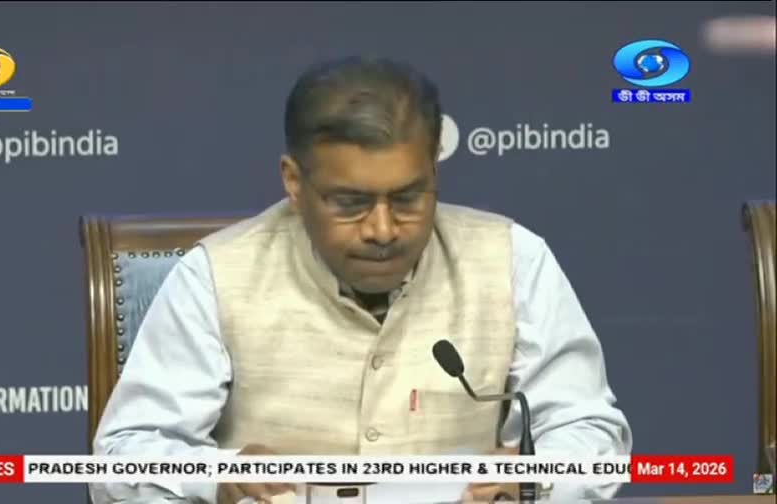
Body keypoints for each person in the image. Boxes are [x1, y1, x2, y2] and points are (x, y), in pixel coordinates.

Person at [90, 56, 632, 504]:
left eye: (407, 198)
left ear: (435, 175)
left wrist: (538, 476)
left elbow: (594, 437)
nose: (382, 229)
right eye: (349, 203)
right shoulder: (215, 275)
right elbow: (121, 458)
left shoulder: (514, 259)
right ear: (295, 182)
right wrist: (218, 475)